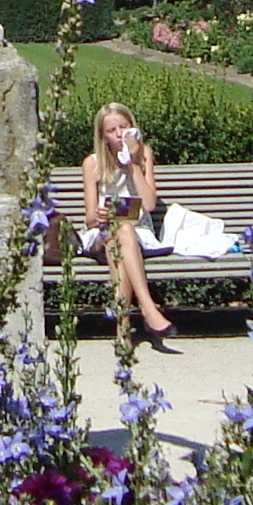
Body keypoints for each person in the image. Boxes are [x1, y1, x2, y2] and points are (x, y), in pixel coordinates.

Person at [78, 101, 174, 345]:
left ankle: (123, 329)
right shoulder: (93, 163)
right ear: (102, 136)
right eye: (112, 130)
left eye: (124, 127)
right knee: (118, 229)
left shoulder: (144, 155)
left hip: (137, 230)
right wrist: (99, 215)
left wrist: (132, 165)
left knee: (123, 234)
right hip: (102, 232)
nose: (119, 134)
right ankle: (148, 308)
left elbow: (150, 204)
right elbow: (89, 217)